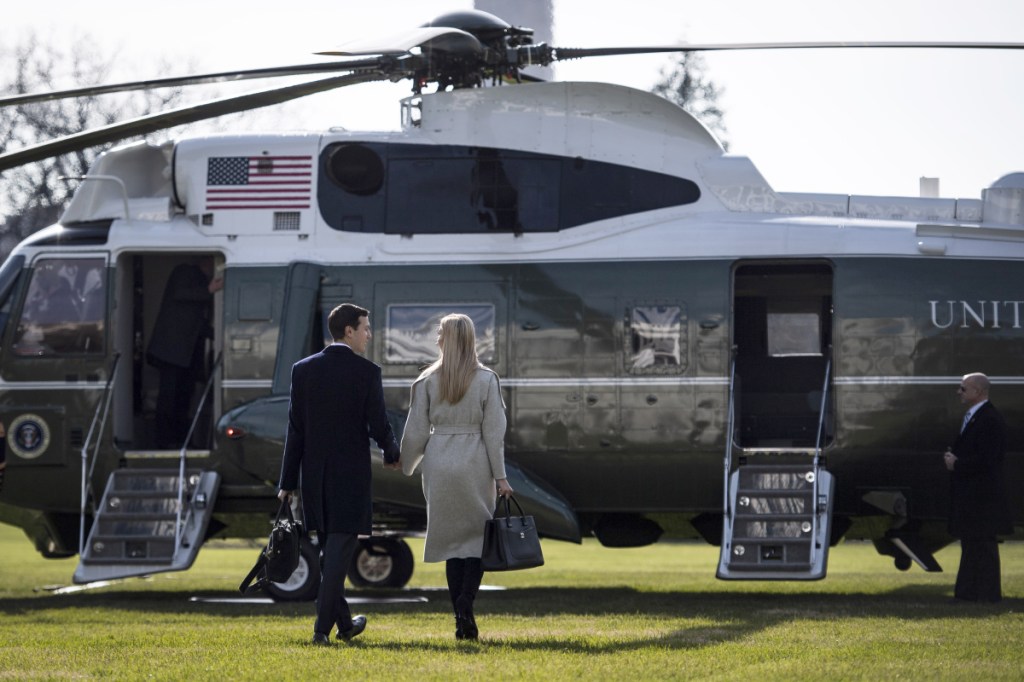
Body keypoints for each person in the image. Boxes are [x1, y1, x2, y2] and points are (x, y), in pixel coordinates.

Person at [278, 303, 401, 646]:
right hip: (350, 477)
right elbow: (379, 424)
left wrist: (287, 483)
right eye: (365, 327)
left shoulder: (302, 370)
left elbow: (295, 431)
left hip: (313, 478)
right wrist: (392, 454)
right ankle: (321, 630)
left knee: (330, 552)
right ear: (349, 330)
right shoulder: (367, 372)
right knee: (336, 552)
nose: (369, 334)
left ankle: (345, 625)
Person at [401, 313, 512, 640]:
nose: (436, 338)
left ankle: (458, 615)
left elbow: (415, 432)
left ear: (447, 339)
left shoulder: (426, 381)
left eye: (439, 333)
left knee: (451, 542)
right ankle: (467, 601)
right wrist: (501, 477)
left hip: (439, 462)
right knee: (476, 539)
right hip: (475, 462)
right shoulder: (487, 379)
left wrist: (406, 464)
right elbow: (494, 434)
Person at [943, 372, 1013, 603]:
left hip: (982, 498)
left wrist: (958, 463)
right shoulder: (978, 416)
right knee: (973, 546)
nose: (959, 392)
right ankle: (970, 593)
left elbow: (989, 459)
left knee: (982, 547)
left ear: (978, 392)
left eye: (963, 388)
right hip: (974, 497)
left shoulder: (990, 419)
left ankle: (985, 594)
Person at [146, 258, 223, 448]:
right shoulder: (184, 271)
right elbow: (180, 294)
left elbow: (197, 324)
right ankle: (163, 442)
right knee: (168, 399)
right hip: (171, 351)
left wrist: (221, 336)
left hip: (185, 354)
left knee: (184, 399)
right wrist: (209, 291)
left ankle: (180, 441)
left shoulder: (201, 281)